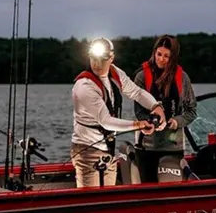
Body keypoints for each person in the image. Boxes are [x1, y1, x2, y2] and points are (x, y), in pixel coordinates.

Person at [71, 37, 166, 188]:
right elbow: (106, 121)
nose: (97, 63)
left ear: (111, 58)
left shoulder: (115, 74)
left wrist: (156, 106)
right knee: (90, 203)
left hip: (108, 151)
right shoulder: (84, 86)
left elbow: (137, 93)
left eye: (102, 59)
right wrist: (138, 125)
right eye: (93, 58)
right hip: (86, 152)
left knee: (109, 200)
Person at [133, 34, 197, 182]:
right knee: (148, 189)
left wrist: (176, 121)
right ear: (154, 52)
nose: (161, 59)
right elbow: (139, 111)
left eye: (166, 56)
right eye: (159, 54)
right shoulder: (142, 77)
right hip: (147, 147)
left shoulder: (183, 78)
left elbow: (191, 111)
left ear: (173, 57)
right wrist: (151, 121)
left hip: (173, 148)